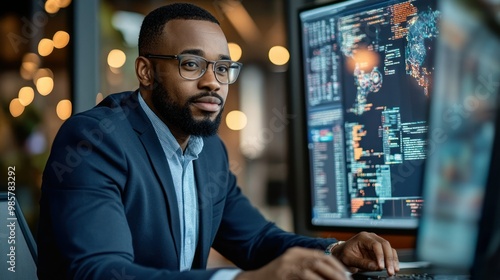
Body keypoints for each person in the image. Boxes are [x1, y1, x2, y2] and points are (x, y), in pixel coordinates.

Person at [37, 3, 400, 279]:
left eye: (223, 68)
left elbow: (256, 241)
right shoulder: (93, 141)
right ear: (146, 71)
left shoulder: (208, 149)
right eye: (192, 64)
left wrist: (335, 250)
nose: (213, 82)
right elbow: (100, 272)